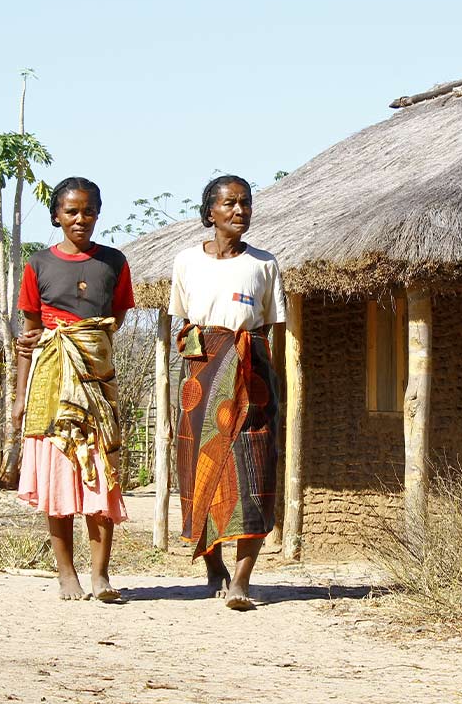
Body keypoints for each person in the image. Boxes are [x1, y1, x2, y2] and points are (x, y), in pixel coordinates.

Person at [13, 176, 135, 602]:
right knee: (58, 476)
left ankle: (100, 575)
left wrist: (82, 342)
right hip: (50, 383)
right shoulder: (38, 265)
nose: (80, 219)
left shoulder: (114, 263)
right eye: (71, 211)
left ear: (98, 214)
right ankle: (67, 573)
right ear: (56, 216)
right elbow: (29, 336)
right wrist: (19, 398)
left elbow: (113, 320)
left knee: (100, 471)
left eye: (88, 211)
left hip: (97, 382)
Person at [168, 174, 287, 611]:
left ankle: (242, 579)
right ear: (210, 212)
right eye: (230, 203)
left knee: (254, 471)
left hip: (252, 376)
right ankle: (213, 566)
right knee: (201, 468)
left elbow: (271, 326)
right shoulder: (186, 262)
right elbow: (182, 324)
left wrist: (258, 375)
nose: (240, 211)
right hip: (201, 376)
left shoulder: (264, 264)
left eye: (246, 203)